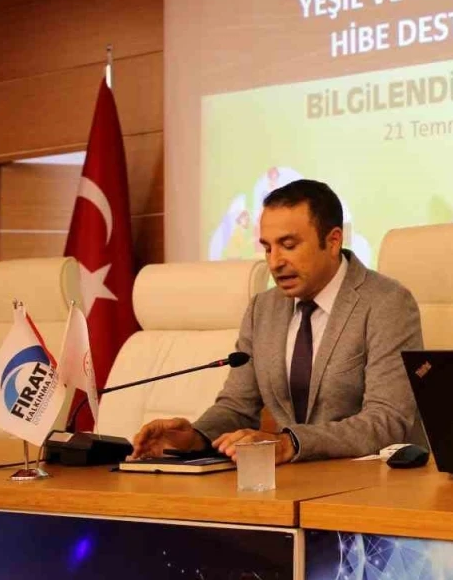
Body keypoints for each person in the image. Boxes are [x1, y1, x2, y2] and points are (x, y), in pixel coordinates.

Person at [132, 179, 424, 464]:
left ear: (333, 241)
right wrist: (196, 438)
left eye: (288, 245)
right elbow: (237, 406)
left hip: (369, 479)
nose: (274, 262)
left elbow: (387, 419)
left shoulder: (386, 303)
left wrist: (291, 443)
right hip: (290, 480)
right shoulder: (263, 309)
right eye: (268, 248)